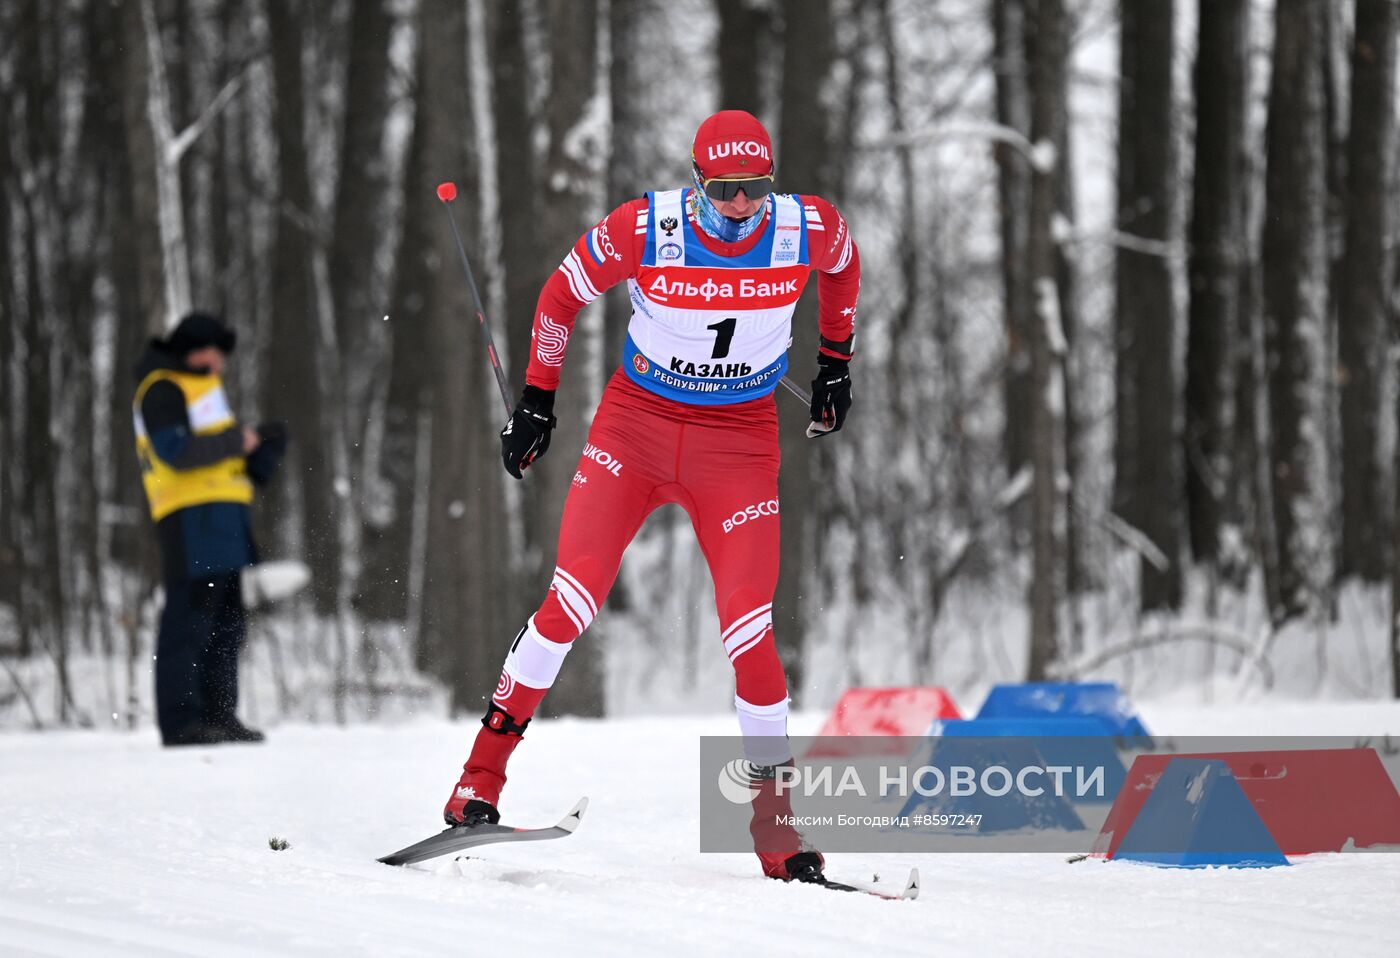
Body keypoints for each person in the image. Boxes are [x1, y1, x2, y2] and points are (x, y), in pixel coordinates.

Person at [442, 110, 859, 882]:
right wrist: (537, 401)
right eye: (725, 189)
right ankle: (477, 782)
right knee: (569, 602)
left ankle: (780, 834)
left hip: (736, 445)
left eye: (755, 189)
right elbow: (561, 297)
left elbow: (844, 267)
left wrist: (836, 356)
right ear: (697, 182)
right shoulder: (647, 228)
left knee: (751, 633)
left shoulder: (806, 227)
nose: (741, 206)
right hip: (634, 432)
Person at [132, 312, 288, 746]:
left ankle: (219, 716)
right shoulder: (162, 387)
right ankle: (181, 722)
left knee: (226, 622)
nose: (220, 365)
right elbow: (175, 451)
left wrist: (263, 450)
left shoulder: (205, 389)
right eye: (216, 355)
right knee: (189, 621)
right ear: (195, 350)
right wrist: (240, 441)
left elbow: (224, 459)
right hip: (190, 519)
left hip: (224, 518)